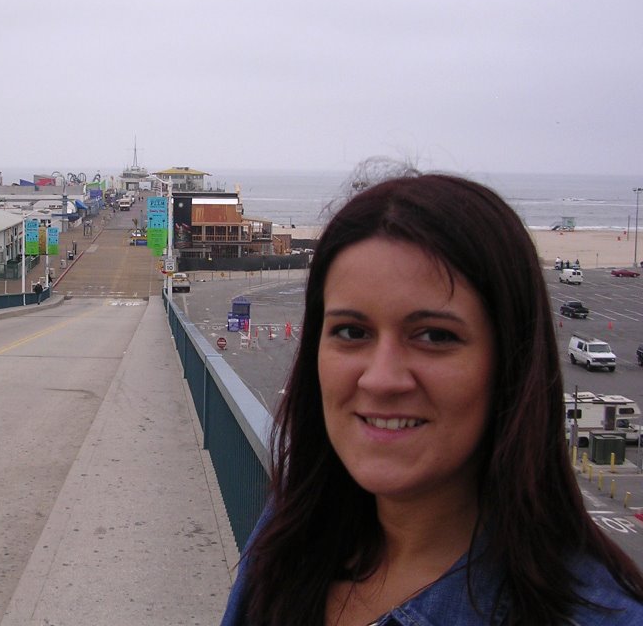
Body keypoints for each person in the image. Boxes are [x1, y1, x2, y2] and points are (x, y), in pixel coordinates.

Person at [221, 173, 643, 626]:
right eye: (351, 331)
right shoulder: (288, 536)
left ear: (510, 363)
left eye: (435, 336)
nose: (381, 380)